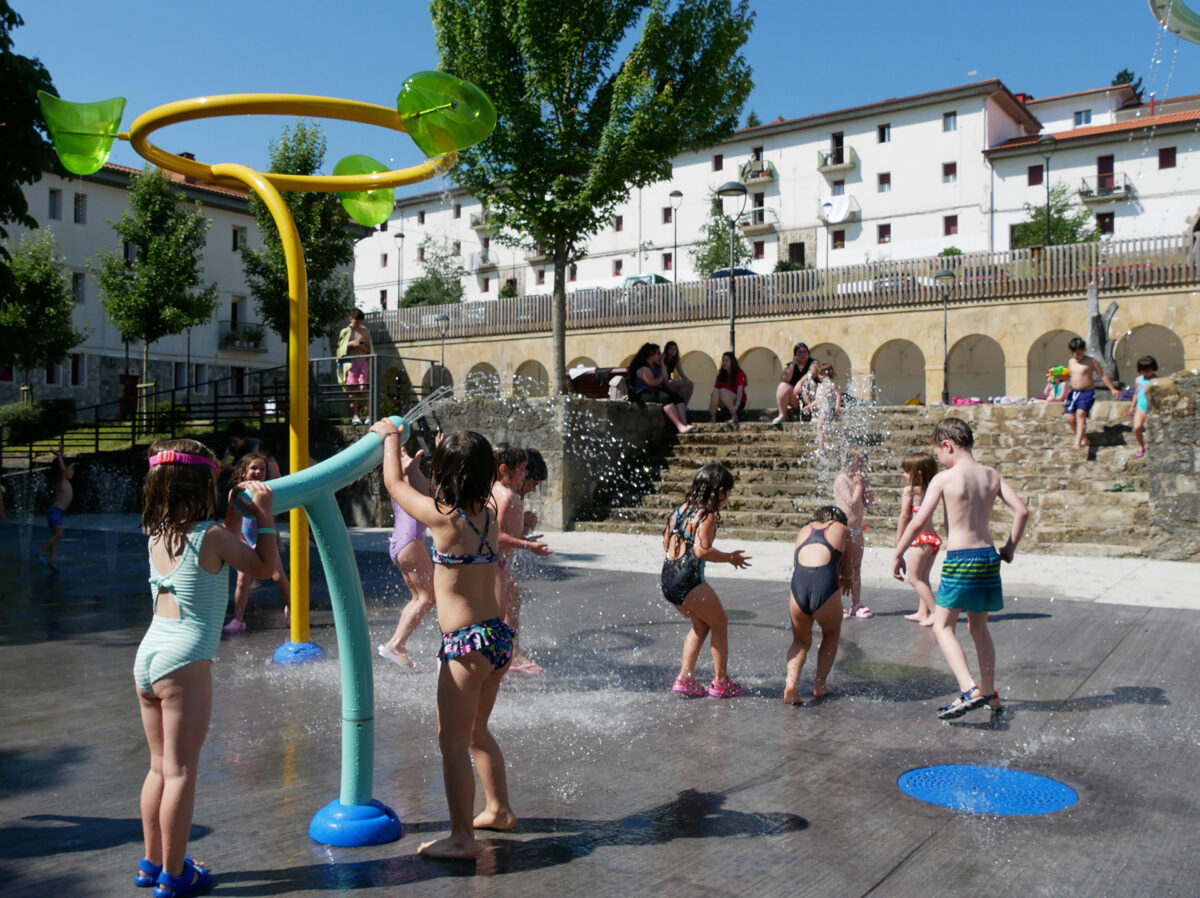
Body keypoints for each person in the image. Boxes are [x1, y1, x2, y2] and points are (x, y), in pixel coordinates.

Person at [134, 439, 279, 896]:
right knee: (181, 772)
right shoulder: (210, 537)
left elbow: (217, 551)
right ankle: (176, 875)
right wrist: (266, 517)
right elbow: (263, 565)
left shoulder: (158, 534)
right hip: (184, 663)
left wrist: (234, 514)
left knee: (159, 769)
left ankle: (152, 864)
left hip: (149, 658)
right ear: (202, 486)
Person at [371, 422, 517, 860]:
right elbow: (426, 490)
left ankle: (461, 839)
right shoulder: (486, 514)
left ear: (445, 473)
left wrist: (390, 438)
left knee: (451, 741)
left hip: (465, 645)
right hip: (497, 639)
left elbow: (394, 485)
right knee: (476, 731)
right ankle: (499, 809)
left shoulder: (444, 518)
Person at [892, 417, 1028, 720]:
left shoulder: (945, 479)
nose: (940, 460)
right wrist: (1009, 548)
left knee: (942, 626)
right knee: (979, 627)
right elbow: (1022, 511)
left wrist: (898, 553)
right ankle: (990, 693)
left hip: (960, 559)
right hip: (988, 558)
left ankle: (969, 688)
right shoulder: (992, 475)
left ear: (948, 445)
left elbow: (917, 521)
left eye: (938, 454)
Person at [660, 462, 751, 698]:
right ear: (719, 491)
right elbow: (702, 551)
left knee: (701, 625)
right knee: (720, 622)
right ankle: (721, 682)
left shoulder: (679, 510)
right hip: (688, 580)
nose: (728, 499)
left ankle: (685, 679)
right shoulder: (705, 516)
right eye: (728, 493)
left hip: (668, 578)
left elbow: (666, 543)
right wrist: (730, 558)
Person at [492, 443, 553, 674]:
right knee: (500, 610)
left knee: (512, 602)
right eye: (533, 483)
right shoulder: (506, 496)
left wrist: (523, 531)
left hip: (500, 561)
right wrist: (527, 543)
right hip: (494, 563)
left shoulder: (509, 495)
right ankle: (506, 657)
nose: (534, 489)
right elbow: (496, 535)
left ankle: (510, 653)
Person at [784, 505, 852, 705]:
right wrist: (847, 578)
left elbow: (796, 564)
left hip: (799, 586)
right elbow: (849, 565)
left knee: (800, 640)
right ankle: (820, 684)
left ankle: (791, 684)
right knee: (831, 634)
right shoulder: (842, 529)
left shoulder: (804, 530)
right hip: (824, 585)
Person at [379, 442, 437, 669]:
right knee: (428, 597)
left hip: (399, 544)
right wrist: (413, 468)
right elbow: (432, 493)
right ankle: (396, 644)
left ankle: (396, 644)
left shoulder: (397, 484)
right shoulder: (410, 484)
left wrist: (409, 467)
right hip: (411, 543)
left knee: (418, 597)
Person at [222, 452, 290, 634]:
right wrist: (242, 542)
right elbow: (232, 521)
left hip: (264, 541)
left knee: (279, 578)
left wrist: (271, 543)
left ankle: (293, 609)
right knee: (242, 581)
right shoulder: (237, 493)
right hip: (245, 540)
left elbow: (270, 521)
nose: (258, 472)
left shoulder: (267, 492)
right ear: (243, 472)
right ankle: (238, 620)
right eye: (254, 468)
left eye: (262, 469)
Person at [896, 451, 941, 627]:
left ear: (918, 473)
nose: (904, 475)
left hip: (919, 540)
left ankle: (936, 613)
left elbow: (904, 517)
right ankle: (923, 612)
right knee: (924, 577)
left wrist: (900, 541)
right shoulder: (930, 490)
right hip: (932, 539)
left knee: (914, 578)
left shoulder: (910, 491)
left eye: (907, 471)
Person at [834, 448, 873, 619]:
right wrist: (860, 485)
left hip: (857, 530)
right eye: (858, 465)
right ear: (847, 464)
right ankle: (836, 604)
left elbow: (868, 502)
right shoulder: (841, 480)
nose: (861, 469)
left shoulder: (859, 481)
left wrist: (867, 486)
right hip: (843, 531)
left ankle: (856, 603)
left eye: (862, 465)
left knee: (856, 567)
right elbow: (852, 501)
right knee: (840, 569)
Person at [1063, 336, 1118, 451]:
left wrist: (1112, 388)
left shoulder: (1091, 361)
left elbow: (1102, 375)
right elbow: (1069, 376)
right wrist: (1059, 376)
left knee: (1081, 413)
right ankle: (1084, 438)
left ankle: (1077, 442)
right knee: (1069, 418)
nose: (1075, 356)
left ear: (1084, 350)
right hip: (1074, 393)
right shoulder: (1071, 362)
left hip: (1086, 392)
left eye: (1078, 353)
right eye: (1073, 353)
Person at [628, 342, 696, 434]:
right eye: (658, 354)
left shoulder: (656, 365)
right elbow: (652, 382)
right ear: (651, 354)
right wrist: (660, 378)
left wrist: (663, 365)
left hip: (655, 389)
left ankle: (684, 424)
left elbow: (665, 378)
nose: (660, 356)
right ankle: (679, 426)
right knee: (665, 398)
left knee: (678, 399)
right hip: (643, 392)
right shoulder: (643, 368)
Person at [37, 451, 74, 573]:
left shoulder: (66, 482)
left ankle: (52, 561)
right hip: (55, 512)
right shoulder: (62, 482)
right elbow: (62, 470)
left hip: (56, 513)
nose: (72, 471)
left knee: (55, 537)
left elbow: (63, 470)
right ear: (66, 471)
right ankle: (41, 553)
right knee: (59, 535)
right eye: (71, 469)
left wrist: (60, 457)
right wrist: (59, 458)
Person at [337, 308, 373, 425]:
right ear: (350, 319)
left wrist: (361, 346)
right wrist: (350, 344)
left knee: (363, 387)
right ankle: (355, 416)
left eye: (360, 323)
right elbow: (340, 349)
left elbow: (369, 350)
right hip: (350, 364)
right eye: (356, 322)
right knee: (353, 389)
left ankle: (369, 415)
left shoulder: (365, 331)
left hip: (362, 363)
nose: (358, 325)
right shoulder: (345, 332)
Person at [771, 343, 819, 425]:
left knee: (809, 383)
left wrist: (800, 382)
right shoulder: (789, 366)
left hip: (813, 399)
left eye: (805, 351)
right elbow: (785, 379)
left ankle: (815, 415)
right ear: (795, 354)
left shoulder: (814, 363)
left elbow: (812, 373)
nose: (803, 354)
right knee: (782, 386)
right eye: (800, 352)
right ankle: (782, 415)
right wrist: (793, 364)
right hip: (796, 399)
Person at [805, 363, 841, 456]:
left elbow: (838, 394)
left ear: (827, 374)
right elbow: (817, 400)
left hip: (826, 410)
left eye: (821, 374)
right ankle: (836, 443)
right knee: (825, 430)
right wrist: (809, 406)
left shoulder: (830, 385)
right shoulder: (820, 386)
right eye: (819, 374)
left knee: (819, 427)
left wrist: (837, 406)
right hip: (822, 410)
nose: (819, 376)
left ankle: (821, 451)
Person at [1130, 355, 1158, 459]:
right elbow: (1136, 394)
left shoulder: (1156, 380)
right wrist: (1132, 407)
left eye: (1148, 370)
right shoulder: (1138, 380)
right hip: (1141, 407)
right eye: (1143, 370)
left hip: (1152, 408)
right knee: (1137, 427)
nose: (1145, 372)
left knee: (1154, 429)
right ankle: (1141, 446)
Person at [708, 351, 747, 424]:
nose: (724, 363)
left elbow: (740, 391)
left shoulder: (739, 373)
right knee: (715, 391)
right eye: (723, 360)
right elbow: (715, 393)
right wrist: (711, 406)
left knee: (722, 391)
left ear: (732, 361)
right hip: (724, 402)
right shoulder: (721, 375)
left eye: (726, 360)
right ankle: (713, 417)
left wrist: (737, 405)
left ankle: (734, 416)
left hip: (737, 401)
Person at [661, 340, 695, 406]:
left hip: (670, 381)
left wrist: (688, 381)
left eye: (675, 349)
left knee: (691, 384)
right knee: (684, 383)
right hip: (663, 382)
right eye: (671, 349)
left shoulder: (675, 360)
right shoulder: (663, 359)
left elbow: (682, 374)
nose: (673, 351)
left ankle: (684, 405)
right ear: (667, 350)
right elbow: (664, 377)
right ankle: (680, 404)